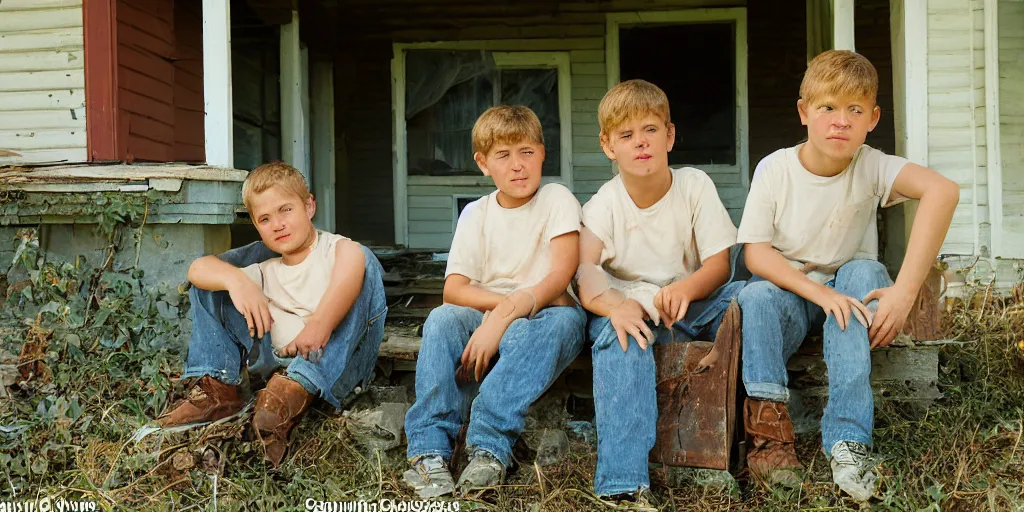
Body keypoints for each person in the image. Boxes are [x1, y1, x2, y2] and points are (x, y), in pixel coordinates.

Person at [736, 50, 960, 501]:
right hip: (792, 293)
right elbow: (756, 254)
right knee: (755, 296)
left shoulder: (870, 163)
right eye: (828, 108)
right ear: (803, 113)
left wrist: (903, 292)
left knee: (864, 270)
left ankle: (849, 441)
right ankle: (769, 436)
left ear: (872, 118)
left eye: (855, 110)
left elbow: (943, 190)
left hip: (849, 293)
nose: (841, 121)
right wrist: (818, 293)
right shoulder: (774, 168)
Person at [577, 79, 744, 507]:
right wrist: (616, 307)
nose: (641, 143)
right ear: (608, 145)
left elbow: (719, 265)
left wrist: (685, 288)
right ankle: (623, 484)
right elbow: (584, 271)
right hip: (631, 306)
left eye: (650, 130)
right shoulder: (604, 205)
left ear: (669, 135)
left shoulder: (694, 186)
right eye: (626, 135)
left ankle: (763, 428)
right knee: (623, 335)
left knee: (753, 295)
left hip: (692, 303)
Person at [403, 105, 586, 497]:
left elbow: (559, 279)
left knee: (564, 322)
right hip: (487, 316)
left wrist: (502, 316)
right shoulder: (476, 213)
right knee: (442, 318)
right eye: (503, 155)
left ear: (542, 153)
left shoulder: (556, 199)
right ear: (483, 164)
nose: (517, 165)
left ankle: (488, 446)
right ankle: (429, 452)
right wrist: (497, 312)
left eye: (526, 152)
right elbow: (455, 288)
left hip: (546, 315)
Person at [155, 162, 388, 468]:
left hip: (338, 367)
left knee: (365, 261)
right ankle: (219, 389)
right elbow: (197, 270)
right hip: (282, 367)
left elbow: (354, 263)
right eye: (265, 219)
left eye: (285, 210)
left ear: (309, 206)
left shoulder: (337, 249)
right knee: (212, 282)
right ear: (255, 225)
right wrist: (237, 281)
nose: (277, 224)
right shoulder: (266, 267)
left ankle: (291, 393)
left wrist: (320, 323)